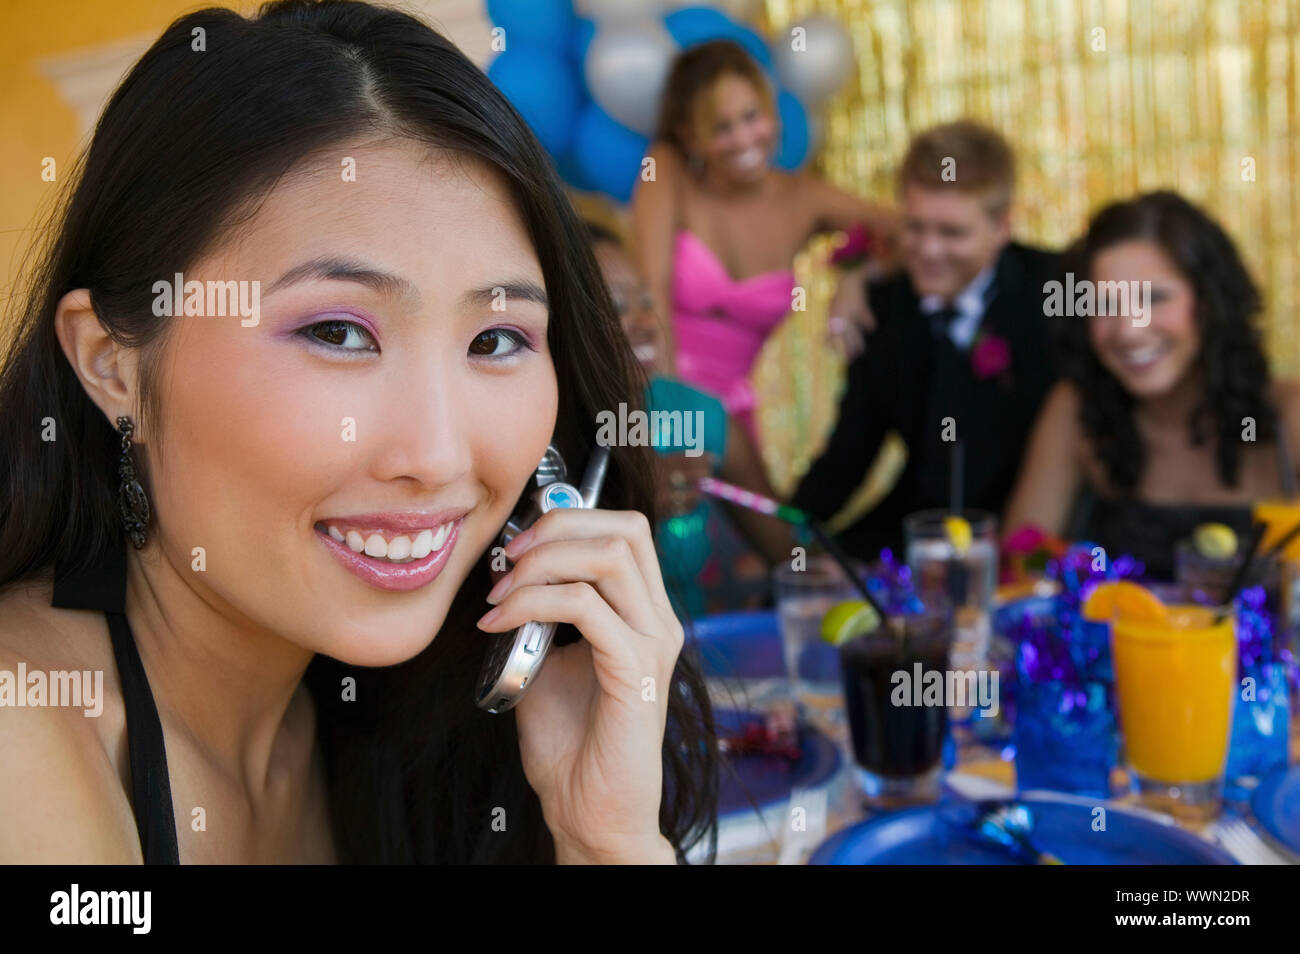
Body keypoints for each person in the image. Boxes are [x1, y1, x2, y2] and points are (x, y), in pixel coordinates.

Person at [0, 0, 717, 864]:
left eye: (495, 340)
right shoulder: (22, 729)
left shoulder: (379, 712)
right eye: (338, 333)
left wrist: (604, 842)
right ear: (111, 362)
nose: (439, 457)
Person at [791, 120, 1062, 559]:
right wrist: (790, 533)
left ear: (1002, 227)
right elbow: (849, 454)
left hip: (1030, 533)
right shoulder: (884, 307)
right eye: (915, 228)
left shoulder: (1057, 289)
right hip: (916, 532)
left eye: (952, 232)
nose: (929, 251)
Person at [1002, 190, 1300, 580]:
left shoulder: (1288, 413)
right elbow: (1019, 561)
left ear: (1209, 301)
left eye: (1152, 298)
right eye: (1105, 305)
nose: (1128, 331)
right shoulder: (1076, 408)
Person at [631, 39, 897, 446]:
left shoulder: (806, 198)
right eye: (721, 127)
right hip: (655, 401)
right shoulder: (665, 167)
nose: (743, 139)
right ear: (690, 137)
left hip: (734, 416)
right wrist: (671, 412)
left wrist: (857, 274)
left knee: (772, 509)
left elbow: (912, 234)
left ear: (771, 112)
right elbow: (650, 290)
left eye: (752, 116)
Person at [585, 220, 791, 617]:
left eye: (646, 301)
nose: (645, 323)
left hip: (697, 667)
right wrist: (631, 504)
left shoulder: (692, 414)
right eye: (617, 307)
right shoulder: (538, 432)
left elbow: (789, 551)